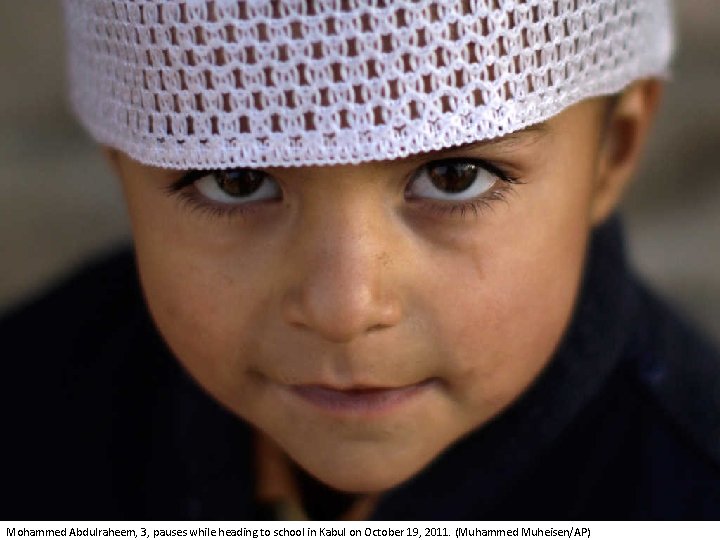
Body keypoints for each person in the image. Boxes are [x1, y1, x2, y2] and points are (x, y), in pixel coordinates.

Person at [3, 0, 719, 520]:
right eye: (238, 178)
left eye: (454, 176)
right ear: (120, 159)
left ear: (612, 153)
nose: (344, 309)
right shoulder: (35, 415)